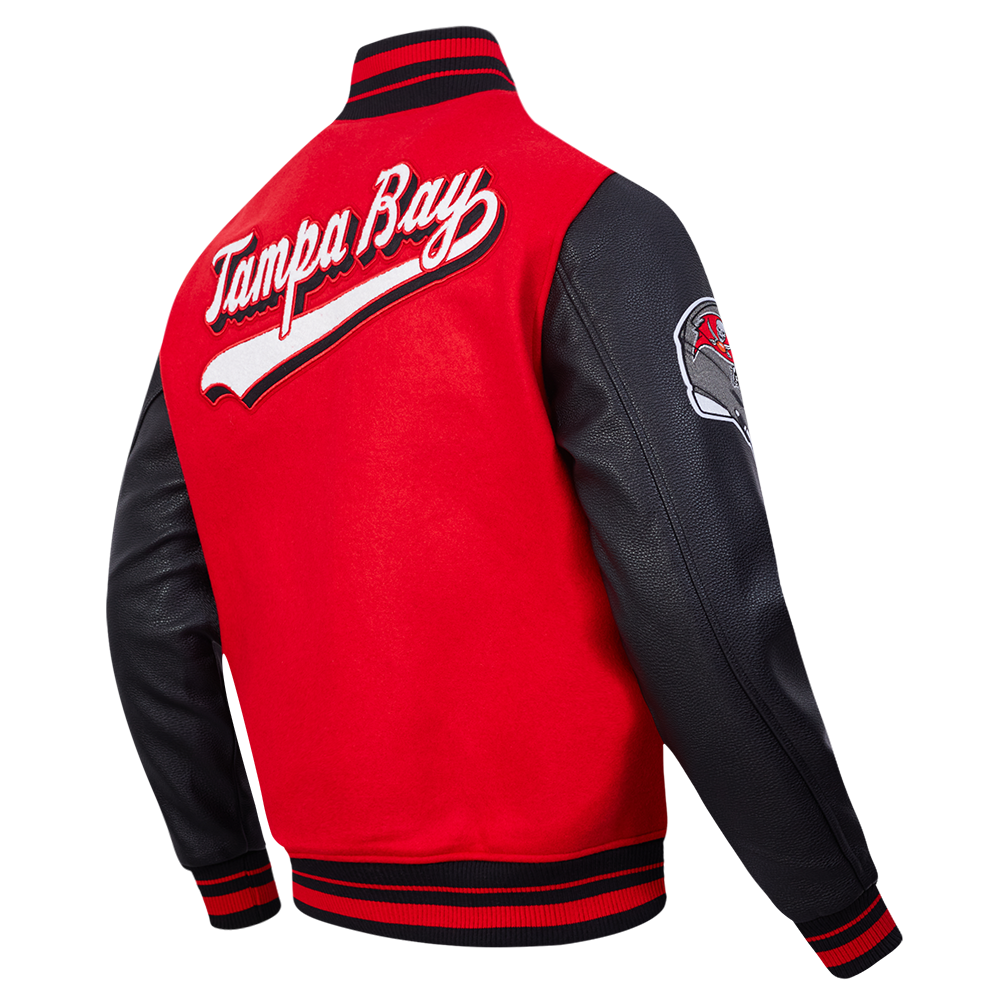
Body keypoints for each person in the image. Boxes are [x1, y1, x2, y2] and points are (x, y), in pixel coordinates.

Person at [107, 25, 900, 979]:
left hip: (320, 906)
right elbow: (694, 575)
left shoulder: (206, 290)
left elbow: (149, 601)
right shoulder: (586, 214)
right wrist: (827, 907)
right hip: (590, 906)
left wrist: (227, 874)